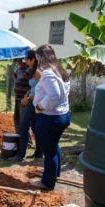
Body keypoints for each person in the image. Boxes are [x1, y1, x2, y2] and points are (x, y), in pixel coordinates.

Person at [30, 45, 71, 190]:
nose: (37, 61)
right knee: (54, 145)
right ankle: (54, 174)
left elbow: (54, 95)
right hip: (63, 115)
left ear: (40, 57)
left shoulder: (48, 74)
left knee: (49, 150)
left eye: (37, 58)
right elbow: (63, 93)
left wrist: (40, 107)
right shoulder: (60, 70)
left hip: (50, 117)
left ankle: (47, 182)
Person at [9, 50, 42, 162]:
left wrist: (28, 99)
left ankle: (20, 155)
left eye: (27, 60)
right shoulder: (33, 70)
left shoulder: (37, 72)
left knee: (23, 127)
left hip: (34, 103)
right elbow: (33, 88)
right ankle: (38, 153)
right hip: (31, 101)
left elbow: (41, 90)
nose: (25, 62)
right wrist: (27, 95)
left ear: (33, 59)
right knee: (34, 127)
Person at [13, 58, 31, 145]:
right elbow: (14, 75)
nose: (17, 62)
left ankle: (28, 141)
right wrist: (16, 81)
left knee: (24, 120)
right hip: (17, 98)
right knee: (16, 118)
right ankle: (19, 137)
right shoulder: (18, 69)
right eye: (17, 61)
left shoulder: (29, 70)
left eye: (18, 60)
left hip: (24, 99)